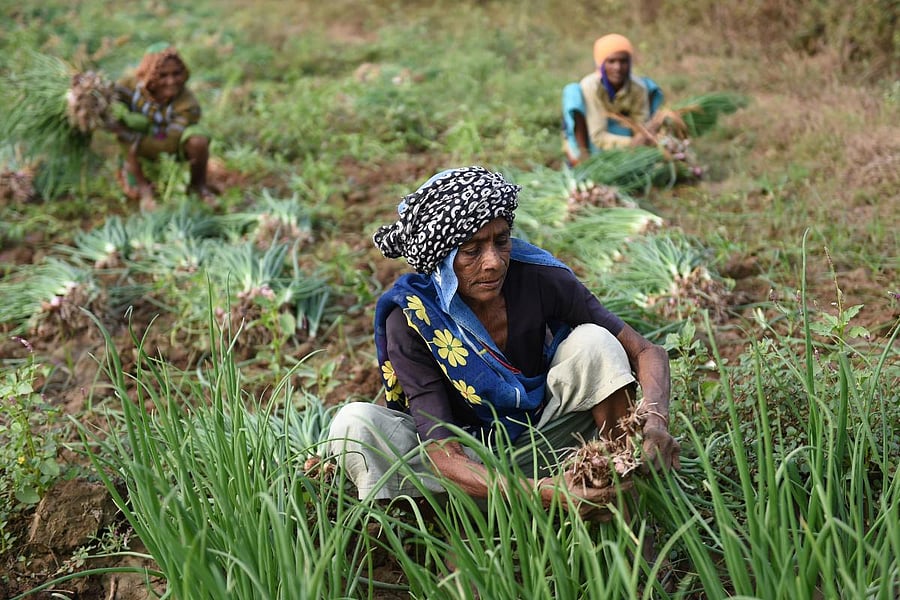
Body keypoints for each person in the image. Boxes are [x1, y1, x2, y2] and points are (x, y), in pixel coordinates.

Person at [328, 166, 680, 518]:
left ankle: (621, 486)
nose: (494, 262)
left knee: (596, 342)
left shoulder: (539, 277)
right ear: (442, 259)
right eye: (471, 250)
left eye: (501, 240)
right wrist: (543, 492)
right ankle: (444, 518)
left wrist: (654, 421)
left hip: (544, 433)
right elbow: (440, 451)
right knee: (354, 425)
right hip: (462, 466)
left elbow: (646, 351)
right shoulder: (412, 318)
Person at [108, 43, 213, 209]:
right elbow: (107, 94)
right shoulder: (130, 87)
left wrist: (127, 134)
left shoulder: (188, 104)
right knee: (134, 124)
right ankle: (142, 187)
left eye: (176, 73)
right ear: (149, 74)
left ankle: (198, 186)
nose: (171, 81)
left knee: (197, 140)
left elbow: (169, 143)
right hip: (139, 139)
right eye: (162, 75)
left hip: (170, 143)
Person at [561, 33, 665, 166]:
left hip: (620, 131)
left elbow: (640, 126)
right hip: (592, 132)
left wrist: (643, 138)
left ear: (630, 63)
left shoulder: (638, 87)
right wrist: (632, 143)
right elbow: (597, 136)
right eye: (611, 61)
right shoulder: (591, 87)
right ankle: (581, 157)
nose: (618, 68)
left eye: (623, 61)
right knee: (572, 93)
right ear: (601, 64)